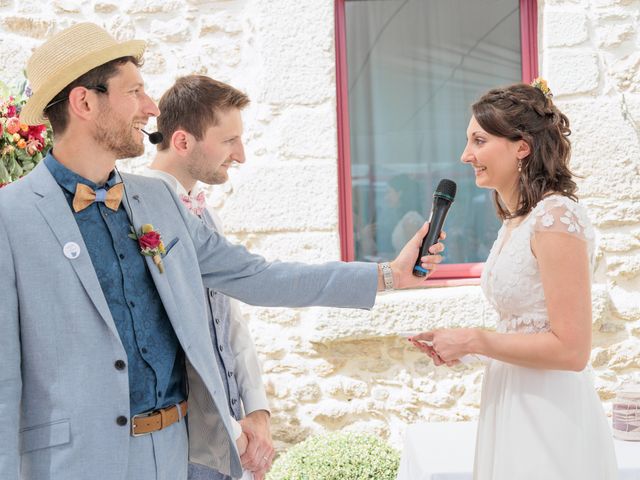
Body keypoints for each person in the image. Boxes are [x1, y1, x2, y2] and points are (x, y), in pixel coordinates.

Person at [0, 23, 444, 480]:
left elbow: (257, 275)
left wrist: (387, 275)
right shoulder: (10, 217)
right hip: (74, 465)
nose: (151, 109)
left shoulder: (157, 200)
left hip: (175, 454)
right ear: (85, 102)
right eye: (135, 92)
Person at [410, 81, 618, 479]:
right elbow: (528, 325)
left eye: (479, 140)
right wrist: (464, 348)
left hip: (549, 411)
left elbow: (572, 350)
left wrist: (474, 339)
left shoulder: (556, 217)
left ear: (521, 146)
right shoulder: (516, 221)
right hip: (511, 399)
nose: (466, 155)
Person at [144, 75, 271, 480]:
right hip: (183, 444)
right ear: (182, 142)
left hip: (232, 435)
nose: (242, 155)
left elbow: (229, 319)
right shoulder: (138, 214)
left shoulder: (204, 213)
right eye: (230, 140)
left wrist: (256, 411)